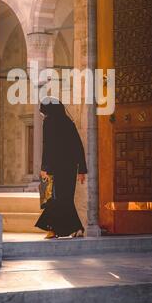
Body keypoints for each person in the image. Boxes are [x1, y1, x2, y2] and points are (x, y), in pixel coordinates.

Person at [34, 97, 87, 239]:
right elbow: (78, 146)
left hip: (56, 168)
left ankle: (58, 229)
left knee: (58, 198)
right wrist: (82, 169)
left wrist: (44, 167)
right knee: (65, 198)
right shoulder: (68, 122)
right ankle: (67, 229)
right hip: (70, 168)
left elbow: (48, 146)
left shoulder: (49, 122)